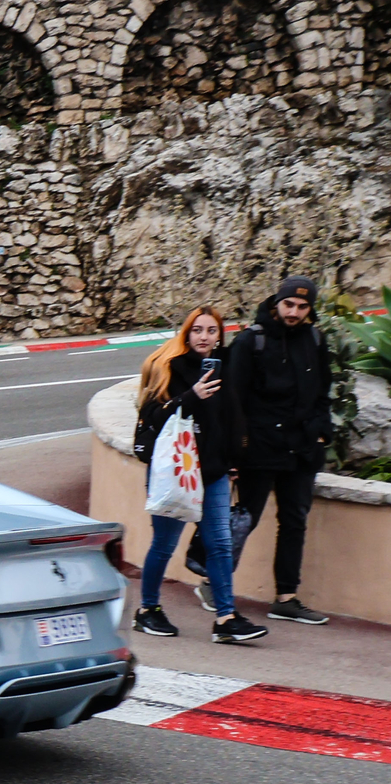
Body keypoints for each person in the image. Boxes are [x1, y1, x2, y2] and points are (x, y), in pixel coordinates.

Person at [130, 306, 264, 645]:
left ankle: (226, 617)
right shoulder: (169, 367)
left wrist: (234, 460)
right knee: (164, 545)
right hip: (177, 473)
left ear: (220, 335)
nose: (204, 337)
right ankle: (147, 611)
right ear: (187, 334)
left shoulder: (224, 370)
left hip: (214, 472)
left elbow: (232, 417)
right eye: (197, 331)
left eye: (211, 331)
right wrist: (191, 396)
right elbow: (151, 416)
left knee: (219, 545)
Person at [216, 273, 337, 625]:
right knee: (243, 519)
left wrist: (321, 434)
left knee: (294, 521)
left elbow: (322, 392)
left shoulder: (315, 339)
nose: (294, 312)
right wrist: (234, 453)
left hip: (301, 448)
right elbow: (232, 400)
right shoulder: (250, 342)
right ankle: (212, 582)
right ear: (276, 302)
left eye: (302, 306)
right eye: (289, 304)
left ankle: (286, 596)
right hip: (260, 448)